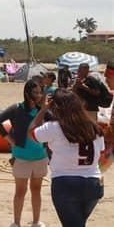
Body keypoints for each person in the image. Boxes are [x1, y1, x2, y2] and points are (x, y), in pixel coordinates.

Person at [31, 89, 105, 227]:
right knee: (78, 223)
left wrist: (43, 110)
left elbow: (32, 132)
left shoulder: (54, 127)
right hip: (93, 183)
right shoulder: (94, 127)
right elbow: (100, 153)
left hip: (66, 183)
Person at [0, 80, 48, 227]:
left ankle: (36, 222)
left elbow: (57, 123)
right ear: (27, 93)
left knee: (36, 190)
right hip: (21, 157)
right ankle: (16, 223)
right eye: (35, 92)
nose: (38, 95)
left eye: (40, 92)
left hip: (40, 156)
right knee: (20, 191)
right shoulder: (17, 109)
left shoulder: (43, 111)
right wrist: (9, 140)